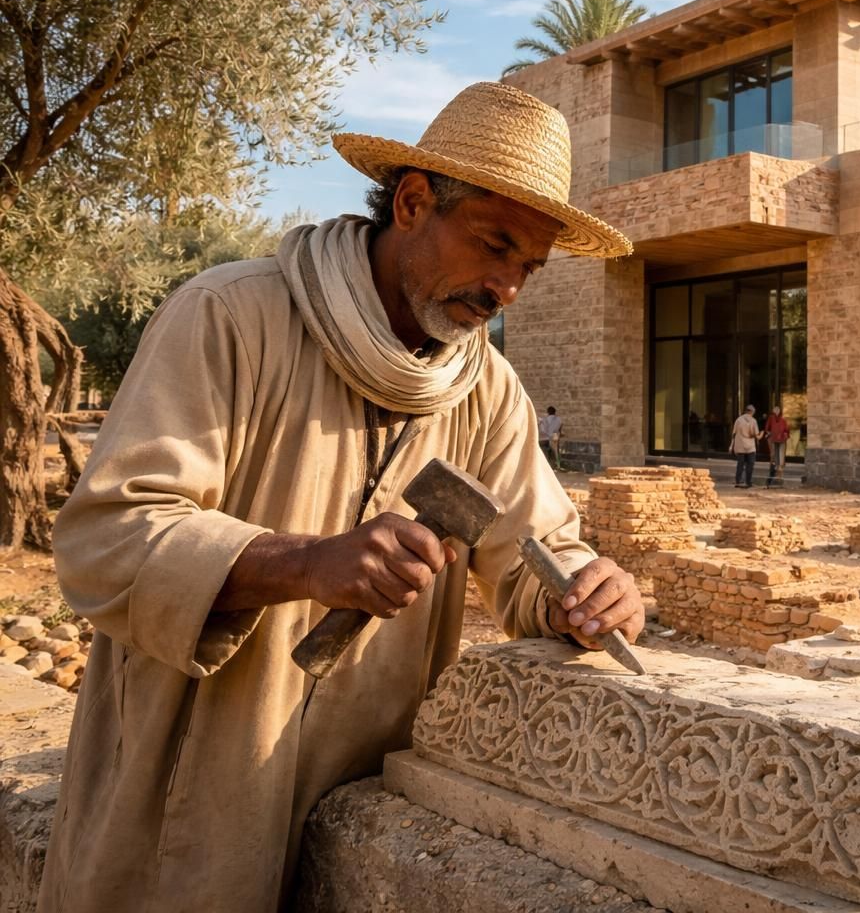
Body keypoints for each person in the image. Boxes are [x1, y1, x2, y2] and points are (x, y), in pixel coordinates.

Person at [36, 82, 644, 913]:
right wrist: (304, 563)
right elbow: (108, 535)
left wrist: (587, 591)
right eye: (494, 245)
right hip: (184, 786)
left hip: (358, 794)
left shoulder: (488, 393)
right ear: (414, 201)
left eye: (528, 267)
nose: (508, 287)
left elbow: (537, 553)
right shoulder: (229, 318)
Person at [732, 404, 763, 488]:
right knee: (750, 465)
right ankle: (748, 482)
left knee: (740, 464)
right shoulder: (753, 421)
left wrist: (731, 446)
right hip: (750, 447)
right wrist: (762, 434)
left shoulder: (738, 420)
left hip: (740, 446)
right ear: (752, 412)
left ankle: (738, 481)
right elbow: (756, 435)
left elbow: (734, 433)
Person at [764, 405, 790, 486]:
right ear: (773, 410)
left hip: (781, 440)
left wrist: (785, 435)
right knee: (773, 457)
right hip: (773, 440)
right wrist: (770, 434)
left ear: (780, 410)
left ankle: (779, 477)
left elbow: (786, 429)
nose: (776, 411)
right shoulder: (771, 418)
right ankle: (772, 475)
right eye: (775, 409)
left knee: (781, 457)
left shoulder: (783, 419)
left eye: (778, 409)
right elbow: (767, 428)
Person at [541, 404, 563, 469]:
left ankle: (549, 466)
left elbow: (543, 429)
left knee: (548, 452)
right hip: (555, 436)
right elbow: (561, 426)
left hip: (547, 437)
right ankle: (558, 465)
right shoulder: (558, 419)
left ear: (548, 412)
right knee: (556, 451)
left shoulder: (545, 419)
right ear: (555, 412)